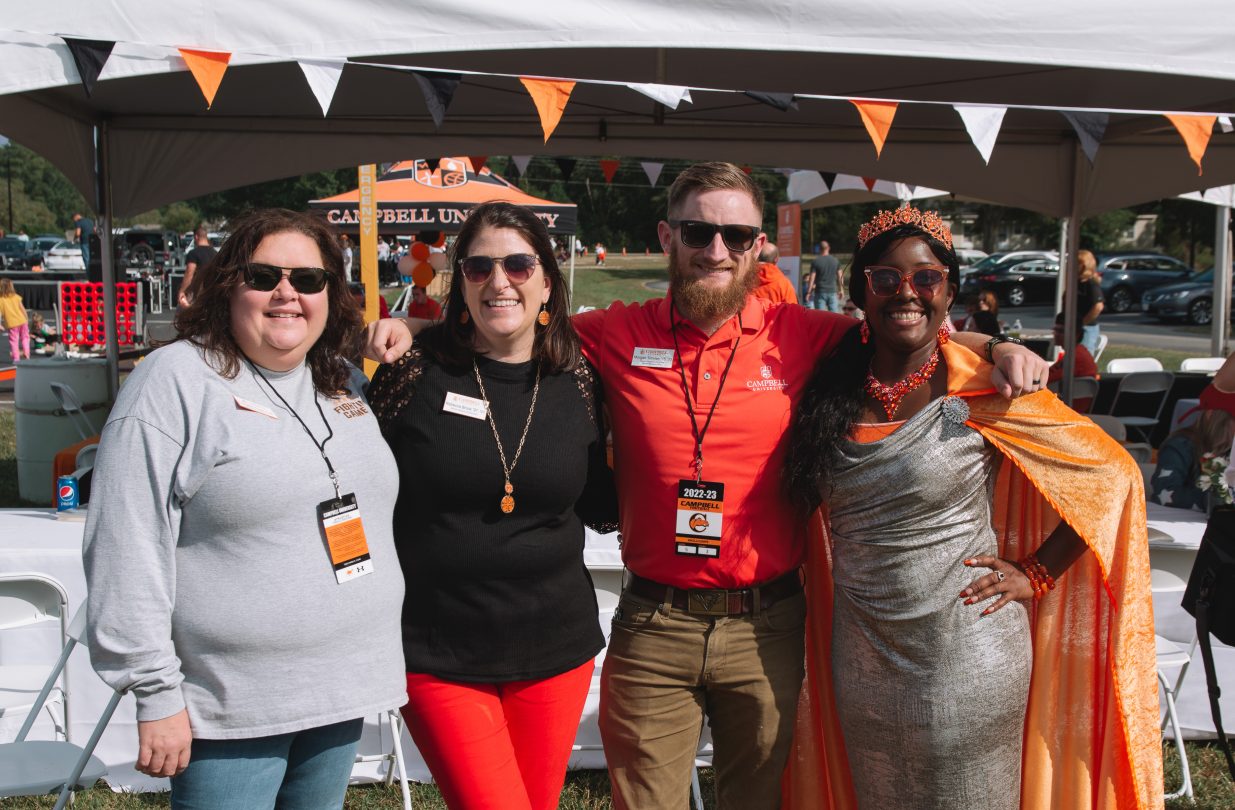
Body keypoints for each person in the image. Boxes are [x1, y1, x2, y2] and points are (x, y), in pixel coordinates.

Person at [365, 164, 1050, 809]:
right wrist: (414, 327)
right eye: (697, 231)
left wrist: (995, 347)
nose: (714, 248)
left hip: (767, 625)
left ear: (759, 247)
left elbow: (904, 328)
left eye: (735, 235)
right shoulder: (615, 333)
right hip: (653, 624)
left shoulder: (802, 333)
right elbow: (507, 324)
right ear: (668, 237)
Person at [782, 207, 1161, 809]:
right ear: (860, 291)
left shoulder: (983, 387)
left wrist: (1036, 572)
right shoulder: (827, 388)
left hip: (969, 657)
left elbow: (1112, 478)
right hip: (861, 660)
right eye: (885, 279)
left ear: (949, 292)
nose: (906, 293)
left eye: (925, 279)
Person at [83, 208, 406, 809]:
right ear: (229, 284)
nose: (287, 293)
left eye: (309, 281)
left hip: (340, 689)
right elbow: (126, 543)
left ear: (332, 296)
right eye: (264, 276)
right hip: (232, 705)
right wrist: (155, 693)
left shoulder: (336, 378)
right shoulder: (174, 381)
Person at [365, 201, 616, 810]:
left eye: (518, 264)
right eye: (479, 267)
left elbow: (601, 504)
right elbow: (356, 486)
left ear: (548, 281)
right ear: (462, 283)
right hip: (438, 649)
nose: (499, 281)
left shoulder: (582, 380)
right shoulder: (411, 374)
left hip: (555, 649)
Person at [1151, 407, 1234, 511]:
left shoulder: (1230, 449)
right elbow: (1165, 490)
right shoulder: (1181, 445)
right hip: (1175, 521)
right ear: (1211, 413)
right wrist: (1216, 500)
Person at [1073, 248, 1105, 355]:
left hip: (1087, 329)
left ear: (1084, 265)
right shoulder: (1077, 282)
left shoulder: (1091, 284)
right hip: (1076, 327)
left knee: (1084, 356)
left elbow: (1098, 306)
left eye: (1076, 263)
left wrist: (1083, 323)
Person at [179, 225, 217, 307]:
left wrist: (182, 291)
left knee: (182, 313)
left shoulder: (193, 253)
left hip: (197, 292)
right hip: (212, 292)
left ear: (196, 237)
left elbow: (189, 273)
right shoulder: (215, 253)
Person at [806, 240, 842, 312]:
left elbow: (812, 278)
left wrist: (809, 292)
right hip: (832, 291)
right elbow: (840, 277)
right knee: (835, 317)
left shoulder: (816, 261)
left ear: (819, 249)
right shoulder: (835, 261)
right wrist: (841, 290)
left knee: (820, 317)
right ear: (828, 248)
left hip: (820, 291)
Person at [0, 277, 30, 361]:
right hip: (22, 321)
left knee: (14, 341)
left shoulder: (1, 300)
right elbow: (22, 309)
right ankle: (26, 353)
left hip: (12, 323)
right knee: (25, 338)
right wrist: (26, 319)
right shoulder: (16, 296)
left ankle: (16, 358)